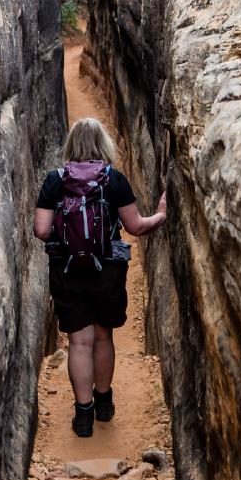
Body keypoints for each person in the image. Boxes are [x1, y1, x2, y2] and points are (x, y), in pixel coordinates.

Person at [33, 117, 167, 437]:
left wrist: (68, 236)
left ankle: (83, 416)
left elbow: (41, 230)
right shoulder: (114, 180)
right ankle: (104, 403)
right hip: (107, 269)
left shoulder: (55, 180)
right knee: (103, 337)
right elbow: (135, 226)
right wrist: (161, 215)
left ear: (72, 145)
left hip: (67, 270)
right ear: (102, 144)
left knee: (80, 342)